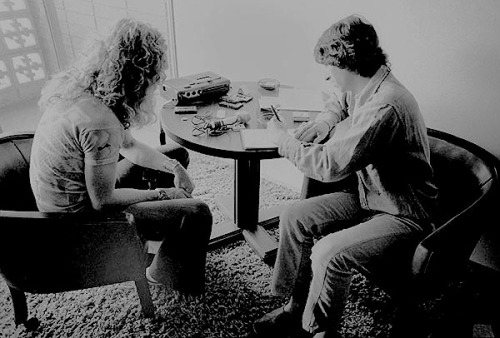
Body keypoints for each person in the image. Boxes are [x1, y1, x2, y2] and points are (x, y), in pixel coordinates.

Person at [253, 15, 438, 338]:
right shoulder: (366, 84)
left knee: (329, 253)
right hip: (371, 195)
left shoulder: (385, 106)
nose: (327, 76)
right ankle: (294, 308)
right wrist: (324, 123)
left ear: (346, 64)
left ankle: (320, 331)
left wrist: (283, 139)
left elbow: (329, 166)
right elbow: (337, 103)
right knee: (294, 216)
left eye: (329, 69)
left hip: (404, 213)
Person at [29, 18, 212, 296]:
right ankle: (162, 274)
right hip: (78, 225)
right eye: (155, 76)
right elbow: (102, 201)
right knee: (198, 212)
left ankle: (162, 238)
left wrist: (174, 167)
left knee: (176, 154)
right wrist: (163, 195)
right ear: (139, 76)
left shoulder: (85, 93)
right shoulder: (100, 122)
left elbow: (129, 146)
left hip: (67, 202)